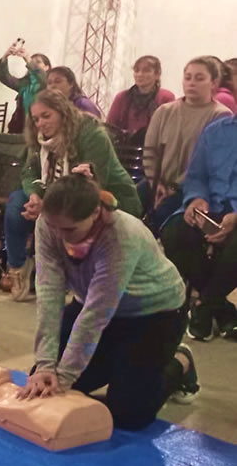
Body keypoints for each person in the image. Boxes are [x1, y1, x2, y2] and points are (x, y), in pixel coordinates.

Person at [20, 175, 199, 430]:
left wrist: (66, 377)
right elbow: (49, 294)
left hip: (154, 314)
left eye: (69, 230)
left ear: (95, 213)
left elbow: (96, 314)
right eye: (54, 227)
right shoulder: (47, 224)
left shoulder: (120, 234)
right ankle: (121, 363)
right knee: (43, 383)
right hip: (97, 306)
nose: (59, 236)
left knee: (128, 414)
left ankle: (181, 362)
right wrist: (46, 366)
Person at [3, 90, 143, 301]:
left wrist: (48, 205)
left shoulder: (91, 133)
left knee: (61, 216)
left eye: (46, 116)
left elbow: (91, 184)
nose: (40, 123)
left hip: (105, 194)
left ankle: (64, 277)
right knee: (16, 205)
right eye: (36, 119)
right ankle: (18, 267)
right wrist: (34, 196)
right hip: (54, 192)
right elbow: (29, 172)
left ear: (63, 113)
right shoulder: (40, 140)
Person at [160, 115, 237, 341]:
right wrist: (195, 199)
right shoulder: (215, 131)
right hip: (209, 205)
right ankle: (220, 308)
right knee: (175, 232)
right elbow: (196, 176)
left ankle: (203, 305)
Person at [141, 57, 230, 231]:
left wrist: (174, 187)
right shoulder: (164, 111)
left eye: (199, 78)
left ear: (214, 83)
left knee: (159, 221)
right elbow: (150, 152)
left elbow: (209, 165)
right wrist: (156, 182)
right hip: (156, 181)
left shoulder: (220, 117)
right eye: (187, 77)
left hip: (192, 190)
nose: (191, 83)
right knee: (125, 207)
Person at [106, 55, 176, 143]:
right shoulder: (122, 97)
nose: (140, 74)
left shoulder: (166, 97)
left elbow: (169, 131)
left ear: (157, 75)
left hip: (153, 149)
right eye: (136, 70)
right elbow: (109, 128)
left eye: (146, 71)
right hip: (123, 148)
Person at [0, 41, 50, 135]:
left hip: (39, 128)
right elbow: (5, 78)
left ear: (47, 67)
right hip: (19, 126)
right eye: (32, 62)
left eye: (38, 62)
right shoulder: (24, 83)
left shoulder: (48, 83)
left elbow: (42, 78)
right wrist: (5, 57)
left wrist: (29, 60)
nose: (32, 64)